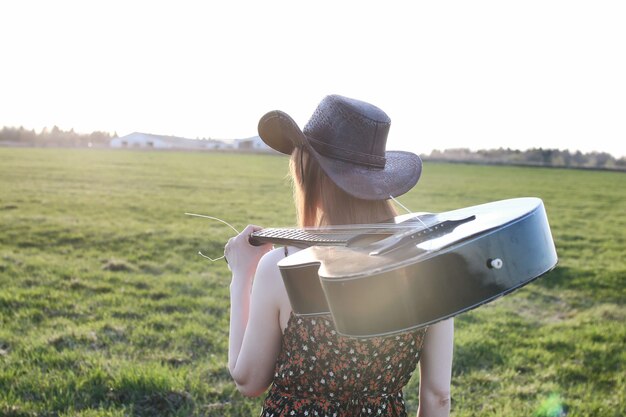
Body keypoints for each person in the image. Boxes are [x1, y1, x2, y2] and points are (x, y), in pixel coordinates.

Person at [226, 95, 454, 417]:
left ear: (307, 173)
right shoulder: (429, 268)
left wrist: (241, 276)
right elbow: (437, 396)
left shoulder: (283, 267)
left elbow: (248, 379)